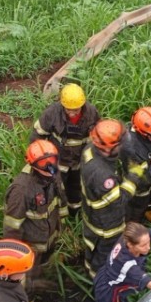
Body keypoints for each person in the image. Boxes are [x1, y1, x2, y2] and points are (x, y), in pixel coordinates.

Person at [80, 118, 146, 278]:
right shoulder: (102, 176)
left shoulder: (90, 149)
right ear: (109, 148)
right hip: (106, 225)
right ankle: (99, 280)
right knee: (104, 254)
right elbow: (119, 200)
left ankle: (89, 268)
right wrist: (134, 177)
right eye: (119, 144)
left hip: (92, 215)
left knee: (92, 248)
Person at [3, 139, 68, 294]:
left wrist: (63, 227)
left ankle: (43, 284)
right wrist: (17, 255)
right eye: (44, 164)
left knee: (44, 267)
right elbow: (12, 227)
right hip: (31, 247)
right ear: (33, 165)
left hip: (50, 238)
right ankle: (29, 301)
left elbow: (61, 201)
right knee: (27, 280)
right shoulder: (22, 190)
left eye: (53, 160)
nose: (50, 167)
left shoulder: (53, 175)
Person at [30, 83, 100, 215]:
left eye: (76, 109)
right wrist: (38, 159)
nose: (72, 113)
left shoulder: (91, 112)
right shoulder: (52, 113)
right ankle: (58, 216)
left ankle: (75, 212)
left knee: (76, 187)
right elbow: (37, 134)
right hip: (58, 161)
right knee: (56, 188)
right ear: (62, 104)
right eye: (68, 109)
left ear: (82, 105)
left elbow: (98, 133)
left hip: (80, 160)